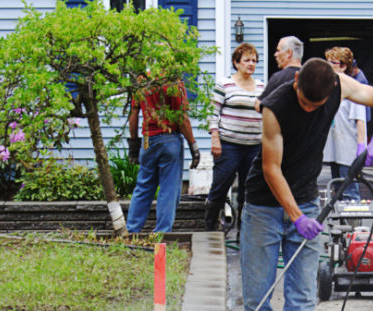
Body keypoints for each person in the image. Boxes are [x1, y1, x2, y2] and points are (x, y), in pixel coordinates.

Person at [239, 58, 373, 311]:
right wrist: (296, 217)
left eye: (317, 105)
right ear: (296, 83)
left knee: (302, 294)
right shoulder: (274, 107)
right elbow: (271, 169)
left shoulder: (338, 85)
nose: (309, 109)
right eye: (305, 102)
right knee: (258, 292)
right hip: (264, 207)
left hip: (308, 200)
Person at [126, 81, 200, 233]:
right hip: (169, 138)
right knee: (169, 189)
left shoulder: (141, 81)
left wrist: (133, 144)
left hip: (147, 140)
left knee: (143, 186)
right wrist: (193, 145)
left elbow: (133, 113)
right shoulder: (172, 82)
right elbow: (182, 118)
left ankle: (132, 230)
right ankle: (162, 233)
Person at [205, 43, 265, 231]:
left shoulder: (262, 87)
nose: (251, 64)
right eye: (247, 60)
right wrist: (215, 139)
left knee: (249, 190)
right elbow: (213, 113)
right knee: (220, 185)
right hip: (229, 145)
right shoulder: (224, 85)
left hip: (254, 146)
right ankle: (211, 226)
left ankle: (243, 230)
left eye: (254, 60)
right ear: (236, 62)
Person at [322, 47, 367, 201]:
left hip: (349, 151)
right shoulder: (331, 88)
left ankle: (353, 224)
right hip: (334, 149)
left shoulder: (353, 88)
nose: (328, 66)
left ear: (343, 66)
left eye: (332, 63)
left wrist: (361, 148)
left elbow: (360, 120)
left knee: (349, 193)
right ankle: (341, 224)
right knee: (338, 191)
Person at [257, 36, 303, 108]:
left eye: (278, 51)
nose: (275, 54)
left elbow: (258, 105)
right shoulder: (310, 78)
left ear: (289, 53)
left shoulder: (277, 78)